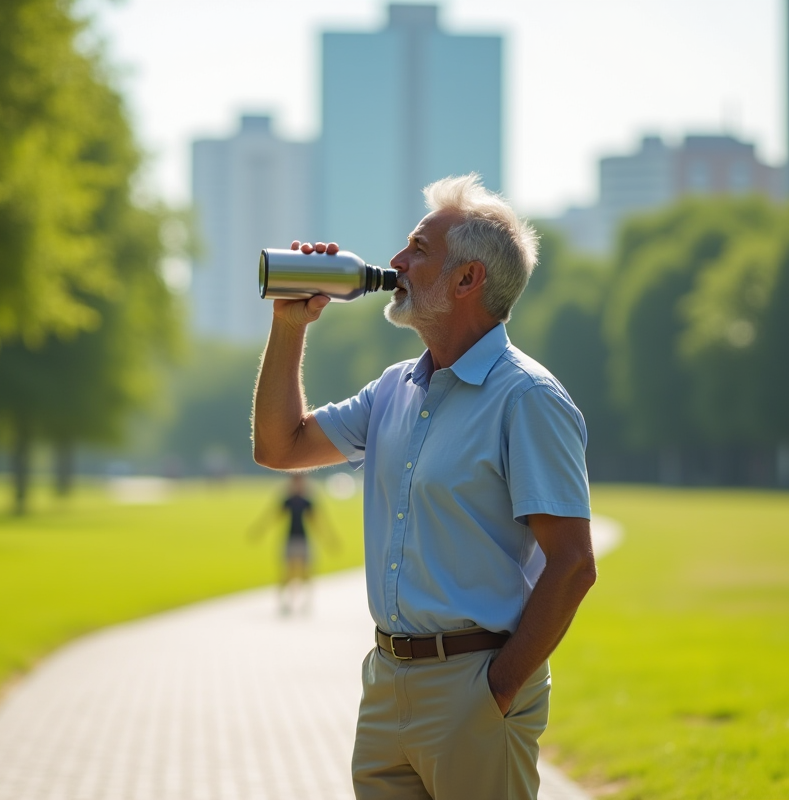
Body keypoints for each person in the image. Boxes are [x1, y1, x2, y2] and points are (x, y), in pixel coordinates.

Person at [251, 173, 597, 800]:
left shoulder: (528, 400)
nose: (395, 262)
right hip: (388, 684)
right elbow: (280, 446)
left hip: (475, 686)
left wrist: (494, 691)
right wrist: (290, 323)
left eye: (418, 249)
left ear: (467, 280)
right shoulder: (392, 389)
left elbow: (573, 565)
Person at [247, 474, 337, 615]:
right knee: (287, 573)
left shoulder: (307, 502)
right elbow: (272, 516)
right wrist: (259, 529)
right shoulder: (288, 501)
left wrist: (329, 539)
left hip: (303, 539)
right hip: (290, 539)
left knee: (306, 572)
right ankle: (284, 602)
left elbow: (318, 522)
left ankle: (306, 602)